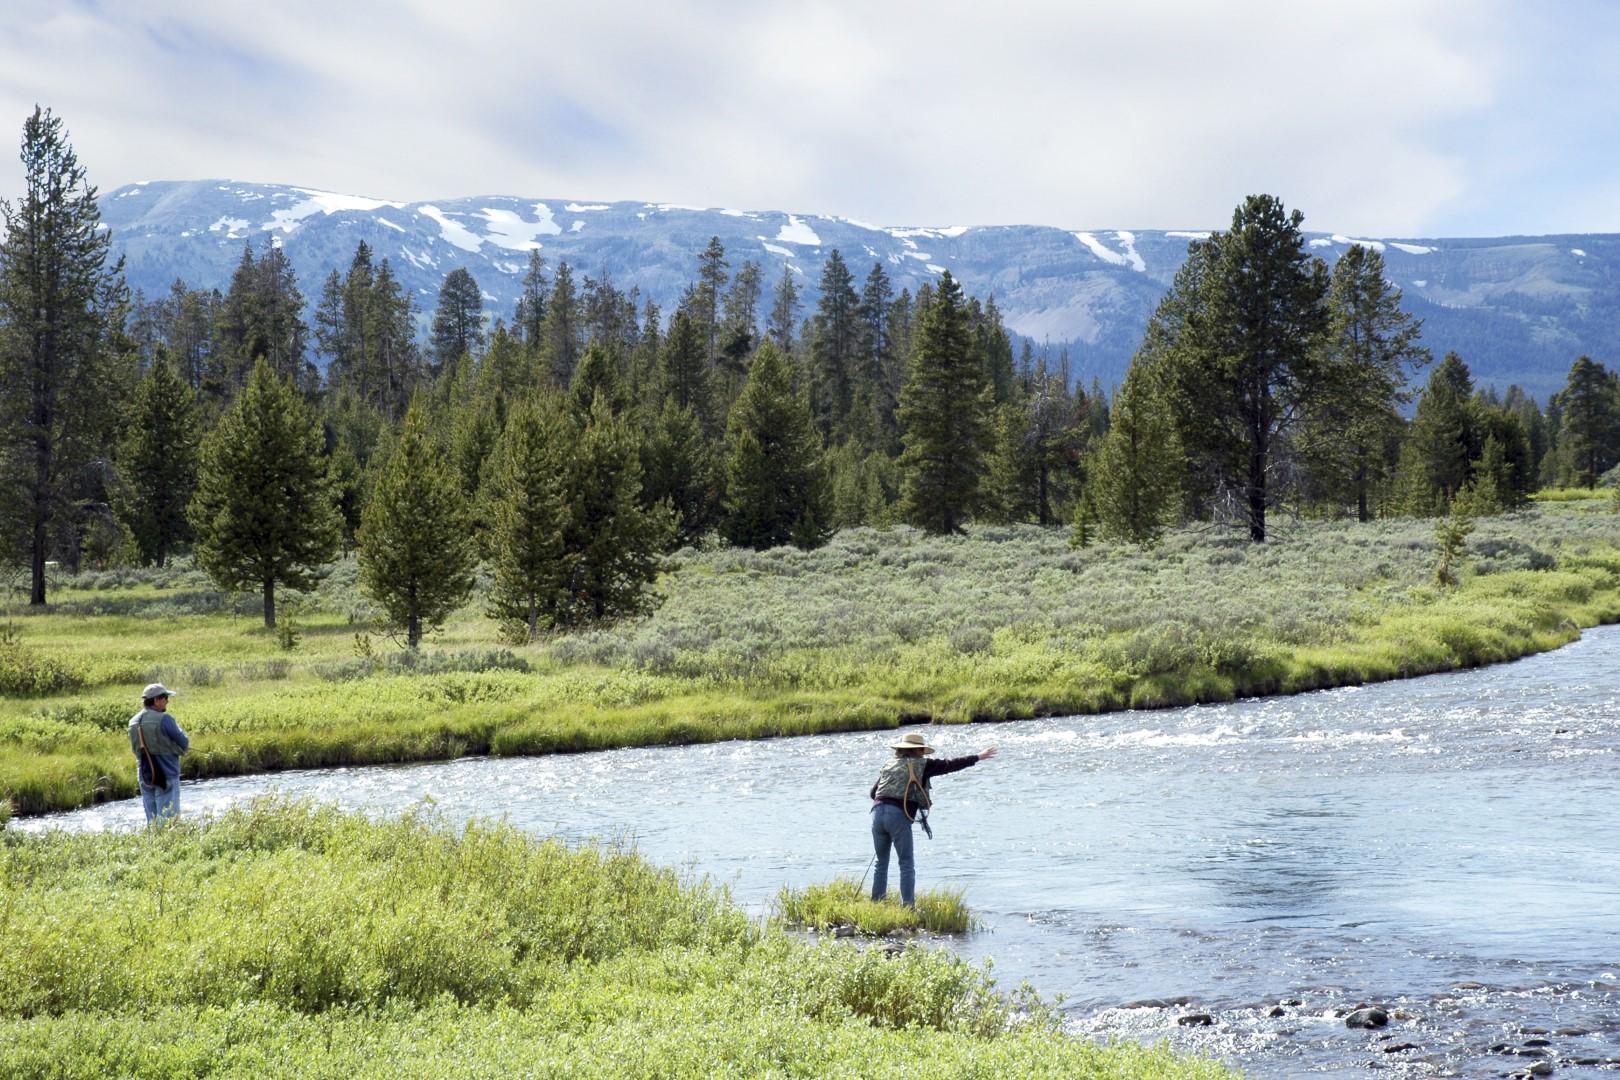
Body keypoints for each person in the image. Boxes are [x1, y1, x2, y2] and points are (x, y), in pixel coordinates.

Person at [868, 730, 996, 907]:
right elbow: (950, 765)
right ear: (918, 750)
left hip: (876, 812)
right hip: (897, 816)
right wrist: (978, 757)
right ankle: (908, 907)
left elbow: (873, 793)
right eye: (921, 749)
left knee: (880, 862)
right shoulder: (922, 764)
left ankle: (877, 904)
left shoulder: (889, 764)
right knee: (905, 863)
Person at [128, 682, 189, 823]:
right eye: (165, 698)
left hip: (144, 774)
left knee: (153, 821)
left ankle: (155, 843)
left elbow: (135, 749)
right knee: (169, 820)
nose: (167, 701)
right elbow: (184, 742)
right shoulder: (165, 719)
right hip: (166, 773)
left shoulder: (132, 722)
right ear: (156, 700)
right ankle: (169, 844)